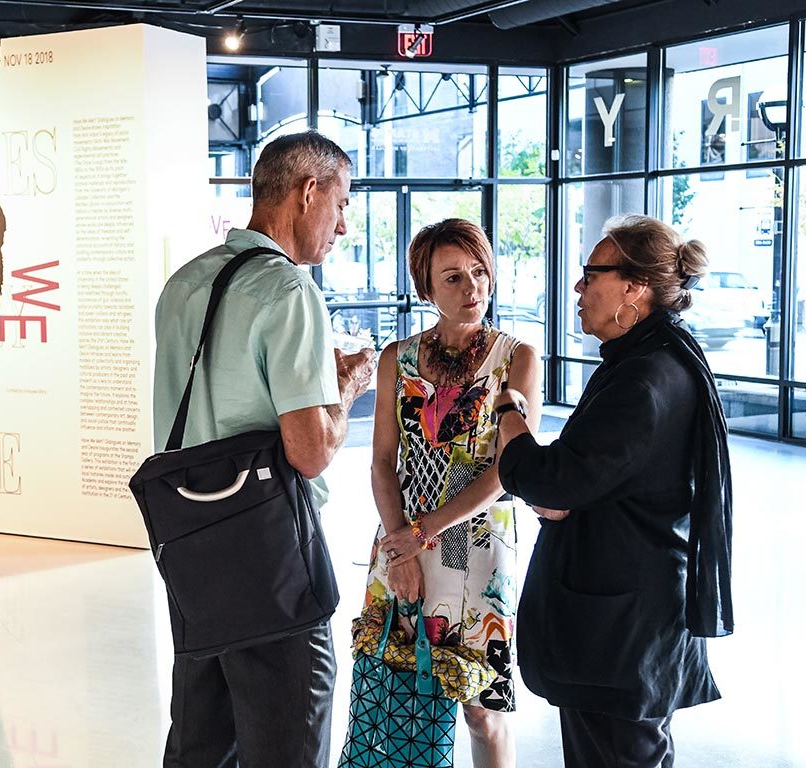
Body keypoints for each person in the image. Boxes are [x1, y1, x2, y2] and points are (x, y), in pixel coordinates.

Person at [152, 131, 376, 768]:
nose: (342, 225)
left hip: (192, 539)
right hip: (269, 550)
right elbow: (310, 452)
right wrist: (349, 385)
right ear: (308, 193)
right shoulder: (289, 290)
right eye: (342, 202)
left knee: (203, 736)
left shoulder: (185, 282)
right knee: (290, 733)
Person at [494, 214, 734, 768]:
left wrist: (509, 414)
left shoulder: (646, 378)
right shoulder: (654, 360)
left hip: (621, 630)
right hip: (626, 619)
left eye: (590, 274)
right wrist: (560, 487)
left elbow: (550, 479)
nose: (577, 288)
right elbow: (576, 481)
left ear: (634, 288)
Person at [350, 218, 541, 768]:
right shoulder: (397, 359)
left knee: (483, 707)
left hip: (479, 545)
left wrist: (420, 534)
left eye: (480, 273)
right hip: (402, 536)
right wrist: (399, 543)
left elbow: (509, 468)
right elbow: (383, 461)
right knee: (403, 685)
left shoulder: (517, 359)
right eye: (453, 277)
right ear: (426, 288)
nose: (471, 289)